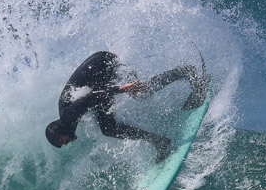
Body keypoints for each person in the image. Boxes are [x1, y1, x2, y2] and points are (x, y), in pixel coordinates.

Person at [44, 51, 198, 160]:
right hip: (98, 66)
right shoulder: (68, 115)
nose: (65, 143)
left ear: (60, 131)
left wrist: (122, 88)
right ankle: (159, 141)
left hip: (100, 66)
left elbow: (93, 97)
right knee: (108, 127)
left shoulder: (68, 116)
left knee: (138, 94)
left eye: (61, 140)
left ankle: (185, 72)